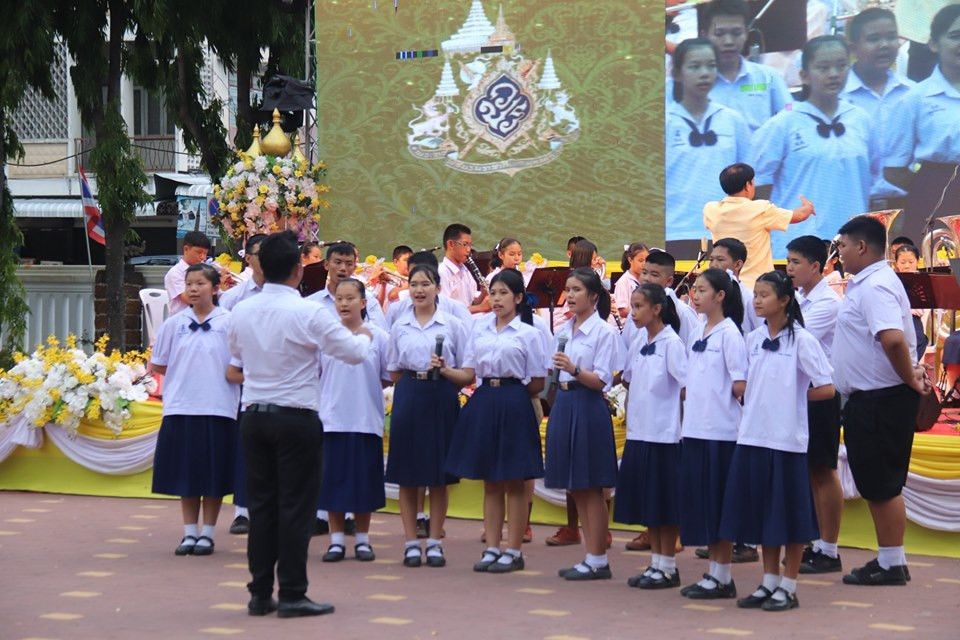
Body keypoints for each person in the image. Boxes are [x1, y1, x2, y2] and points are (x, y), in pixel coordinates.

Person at [227, 231, 373, 618]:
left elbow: (237, 355)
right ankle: (291, 592)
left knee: (262, 507)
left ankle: (259, 592)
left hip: (254, 415)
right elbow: (354, 353)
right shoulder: (309, 312)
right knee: (295, 508)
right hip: (296, 418)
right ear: (298, 269)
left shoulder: (241, 310)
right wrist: (367, 334)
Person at [719, 271, 835, 612]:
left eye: (765, 295)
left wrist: (793, 397)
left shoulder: (802, 340)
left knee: (790, 515)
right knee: (762, 514)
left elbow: (826, 387)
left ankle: (789, 584)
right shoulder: (752, 340)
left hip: (786, 441)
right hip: (752, 436)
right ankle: (768, 581)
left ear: (784, 300)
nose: (757, 300)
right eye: (755, 294)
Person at [832, 216, 929, 587]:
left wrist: (909, 377)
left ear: (861, 247)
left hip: (880, 398)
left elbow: (891, 339)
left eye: (841, 246)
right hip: (872, 397)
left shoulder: (874, 287)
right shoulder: (868, 283)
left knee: (883, 483)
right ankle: (891, 559)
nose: (838, 254)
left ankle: (891, 563)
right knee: (878, 482)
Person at [446, 269, 546, 573]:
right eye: (493, 292)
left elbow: (538, 382)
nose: (497, 298)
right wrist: (445, 371)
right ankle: (492, 546)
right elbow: (470, 371)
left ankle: (514, 550)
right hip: (485, 400)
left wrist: (512, 395)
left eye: (504, 293)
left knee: (514, 481)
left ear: (518, 298)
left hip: (515, 401)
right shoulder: (480, 328)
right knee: (490, 481)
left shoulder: (529, 333)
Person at [752, 36, 878, 258]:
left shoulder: (861, 119)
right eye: (823, 67)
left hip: (854, 245)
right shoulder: (784, 122)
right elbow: (758, 186)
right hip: (798, 244)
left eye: (841, 66)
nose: (833, 74)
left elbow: (873, 177)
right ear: (804, 75)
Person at [150, 263, 238, 557]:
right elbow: (159, 363)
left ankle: (208, 534)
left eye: (200, 283)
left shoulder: (230, 322)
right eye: (189, 284)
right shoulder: (174, 324)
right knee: (187, 473)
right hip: (182, 406)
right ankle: (189, 533)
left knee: (212, 475)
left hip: (219, 407)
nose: (193, 289)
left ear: (215, 289)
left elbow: (241, 364)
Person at [385, 263, 469, 569]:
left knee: (438, 475)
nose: (419, 290)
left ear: (438, 288)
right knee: (408, 474)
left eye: (425, 284)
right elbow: (393, 369)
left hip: (441, 395)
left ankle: (434, 541)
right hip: (409, 394)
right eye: (414, 284)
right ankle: (410, 542)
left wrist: (445, 369)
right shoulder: (399, 325)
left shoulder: (453, 325)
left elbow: (466, 371)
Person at [547, 268, 623, 580]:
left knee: (592, 487)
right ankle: (591, 557)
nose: (570, 295)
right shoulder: (563, 330)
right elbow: (552, 373)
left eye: (577, 289)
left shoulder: (604, 333)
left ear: (594, 297)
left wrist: (575, 369)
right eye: (568, 289)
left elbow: (603, 380)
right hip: (564, 404)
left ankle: (598, 557)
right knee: (575, 485)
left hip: (588, 405)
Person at [679, 268, 747, 599]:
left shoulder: (730, 334)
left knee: (720, 503)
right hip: (695, 429)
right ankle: (713, 573)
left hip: (721, 432)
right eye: (694, 288)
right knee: (704, 502)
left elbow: (740, 384)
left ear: (720, 295)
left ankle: (723, 576)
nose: (695, 294)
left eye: (703, 289)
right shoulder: (696, 332)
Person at [616, 284, 687, 590]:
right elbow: (629, 380)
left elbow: (686, 387)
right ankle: (656, 563)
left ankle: (668, 566)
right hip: (640, 432)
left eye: (639, 307)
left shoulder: (672, 343)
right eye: (631, 306)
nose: (633, 313)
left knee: (665, 502)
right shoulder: (638, 341)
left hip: (664, 434)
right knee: (650, 503)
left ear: (657, 309)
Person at [317, 279, 391, 564]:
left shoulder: (378, 336)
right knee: (332, 480)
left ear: (363, 302)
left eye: (350, 298)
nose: (344, 304)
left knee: (364, 482)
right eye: (339, 299)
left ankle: (362, 539)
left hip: (365, 418)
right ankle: (336, 541)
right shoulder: (326, 337)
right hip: (332, 419)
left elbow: (386, 376)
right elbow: (317, 374)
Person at [785, 236, 845, 574]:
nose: (789, 268)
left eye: (795, 262)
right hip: (797, 394)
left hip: (820, 395)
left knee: (823, 469)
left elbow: (792, 337)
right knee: (808, 469)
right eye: (788, 261)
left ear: (816, 267)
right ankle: (813, 541)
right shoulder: (796, 297)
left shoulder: (827, 304)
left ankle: (830, 548)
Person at [667, 38, 750, 243]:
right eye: (694, 66)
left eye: (711, 66)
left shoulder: (733, 120)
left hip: (727, 233)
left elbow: (749, 181)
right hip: (674, 230)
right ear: (676, 73)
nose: (704, 73)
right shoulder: (664, 121)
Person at [219, 234, 267, 537]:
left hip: (278, 383)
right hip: (243, 382)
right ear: (247, 258)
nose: (263, 259)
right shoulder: (233, 298)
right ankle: (242, 511)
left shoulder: (290, 295)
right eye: (258, 253)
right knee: (246, 447)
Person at [841, 8, 915, 201]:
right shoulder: (838, 96)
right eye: (873, 39)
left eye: (891, 38)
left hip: (907, 203)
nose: (884, 45)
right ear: (853, 48)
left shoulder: (913, 94)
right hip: (853, 202)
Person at [703, 163, 815, 288]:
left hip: (725, 287)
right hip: (757, 288)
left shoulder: (711, 210)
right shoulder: (760, 209)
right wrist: (808, 207)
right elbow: (798, 216)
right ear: (747, 185)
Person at [699, 0, 793, 132]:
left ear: (746, 34)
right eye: (719, 34)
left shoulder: (769, 77)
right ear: (705, 35)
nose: (728, 42)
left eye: (736, 33)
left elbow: (790, 111)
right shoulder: (695, 82)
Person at [306, 242, 388, 331]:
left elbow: (382, 336)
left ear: (354, 267)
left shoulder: (369, 300)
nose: (343, 268)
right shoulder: (311, 303)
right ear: (326, 265)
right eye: (337, 262)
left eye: (349, 264)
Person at [386, 251, 472, 329]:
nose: (419, 289)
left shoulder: (456, 309)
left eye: (424, 282)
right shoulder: (396, 310)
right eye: (413, 275)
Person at [709, 237, 760, 333]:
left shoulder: (750, 300)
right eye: (711, 260)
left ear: (737, 265)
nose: (713, 265)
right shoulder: (708, 298)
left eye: (720, 260)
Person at [438, 223, 489, 313]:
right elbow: (445, 311)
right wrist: (481, 308)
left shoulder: (465, 270)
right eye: (465, 244)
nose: (469, 250)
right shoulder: (441, 273)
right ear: (451, 244)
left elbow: (472, 303)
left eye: (470, 245)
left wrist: (483, 294)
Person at [164, 231, 211, 316]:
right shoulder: (175, 273)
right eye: (199, 252)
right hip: (181, 323)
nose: (203, 257)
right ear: (186, 249)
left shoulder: (205, 271)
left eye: (205, 253)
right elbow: (190, 299)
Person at [613, 242, 650, 322]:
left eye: (646, 261)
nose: (644, 264)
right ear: (630, 260)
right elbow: (622, 311)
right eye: (640, 261)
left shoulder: (647, 280)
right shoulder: (624, 281)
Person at [384, 245, 413, 310]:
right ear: (396, 262)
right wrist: (413, 281)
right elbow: (392, 295)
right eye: (406, 260)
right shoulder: (389, 277)